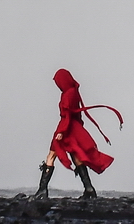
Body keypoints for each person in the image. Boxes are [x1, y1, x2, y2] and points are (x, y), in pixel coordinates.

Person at [34, 68, 121, 200]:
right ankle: (89, 189)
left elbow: (67, 115)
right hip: (73, 127)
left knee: (52, 155)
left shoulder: (67, 94)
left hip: (65, 127)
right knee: (76, 157)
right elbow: (77, 113)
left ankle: (42, 190)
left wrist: (62, 132)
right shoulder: (73, 91)